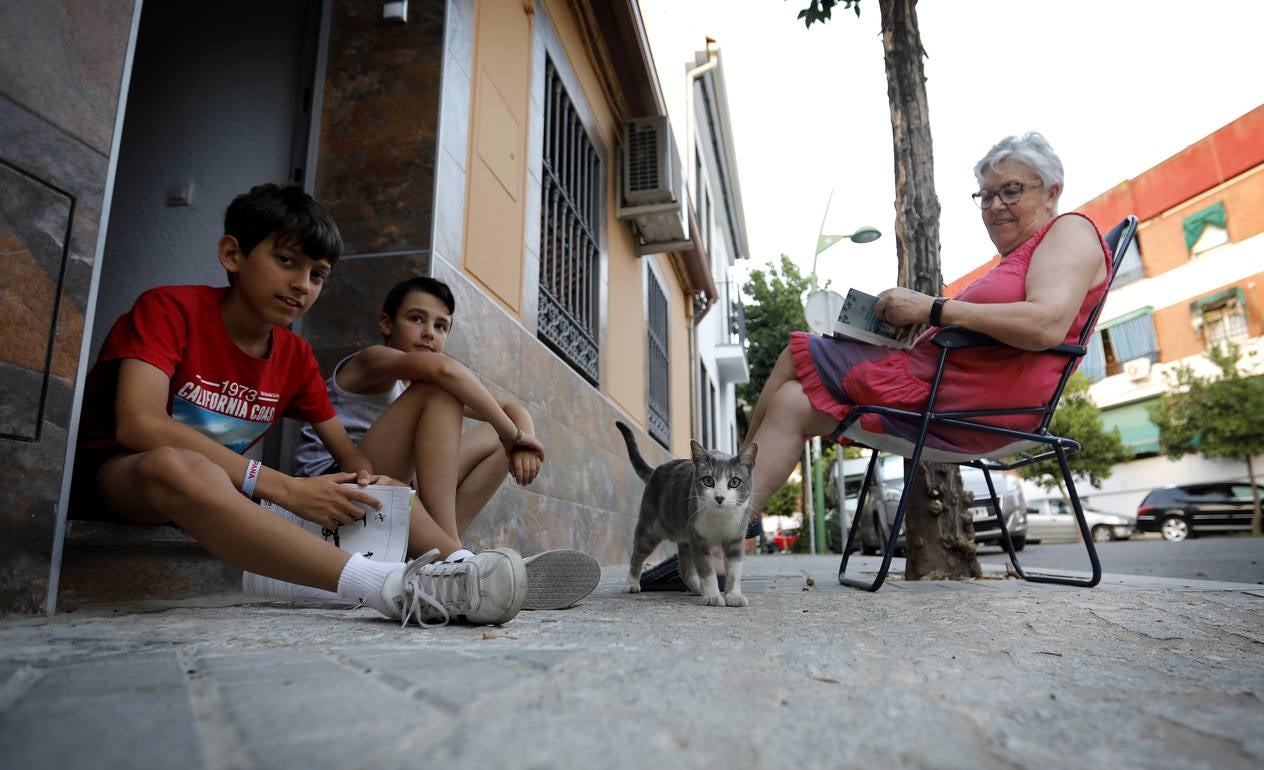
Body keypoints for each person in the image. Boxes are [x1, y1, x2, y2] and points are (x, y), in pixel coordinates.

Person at [641, 132, 1110, 588]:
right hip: (945, 392)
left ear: (1052, 191)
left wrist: (931, 309)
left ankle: (729, 503)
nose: (995, 206)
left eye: (1011, 191)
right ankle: (731, 528)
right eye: (985, 196)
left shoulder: (1069, 230)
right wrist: (917, 327)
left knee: (797, 348)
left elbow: (1047, 323)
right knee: (790, 402)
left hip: (970, 404)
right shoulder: (1021, 256)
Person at [71, 184, 531, 627]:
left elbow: (345, 450)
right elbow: (139, 425)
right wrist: (284, 488)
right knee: (178, 465)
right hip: (125, 480)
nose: (302, 285)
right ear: (233, 255)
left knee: (384, 488)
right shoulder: (170, 309)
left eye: (317, 275)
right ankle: (388, 587)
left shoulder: (294, 355)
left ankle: (464, 571)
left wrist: (360, 476)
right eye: (286, 261)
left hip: (228, 490)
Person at [291, 275, 599, 611]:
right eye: (416, 319)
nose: (429, 333)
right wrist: (515, 435)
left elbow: (511, 409)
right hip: (335, 494)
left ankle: (445, 559)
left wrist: (520, 438)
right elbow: (443, 371)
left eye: (441, 326)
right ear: (386, 323)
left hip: (388, 501)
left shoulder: (409, 391)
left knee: (494, 435)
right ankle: (458, 562)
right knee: (441, 390)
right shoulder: (370, 361)